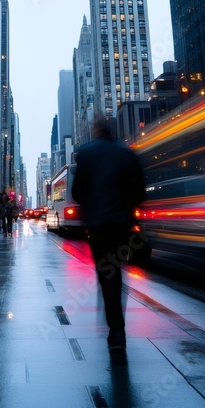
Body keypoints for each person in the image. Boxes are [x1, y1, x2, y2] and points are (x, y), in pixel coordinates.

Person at [71, 117, 145, 355]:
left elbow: (77, 191)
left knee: (106, 274)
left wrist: (91, 207)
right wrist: (126, 210)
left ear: (95, 132)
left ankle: (115, 329)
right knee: (116, 273)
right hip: (120, 223)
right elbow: (140, 191)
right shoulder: (127, 154)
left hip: (98, 224)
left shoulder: (86, 153)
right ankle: (117, 330)